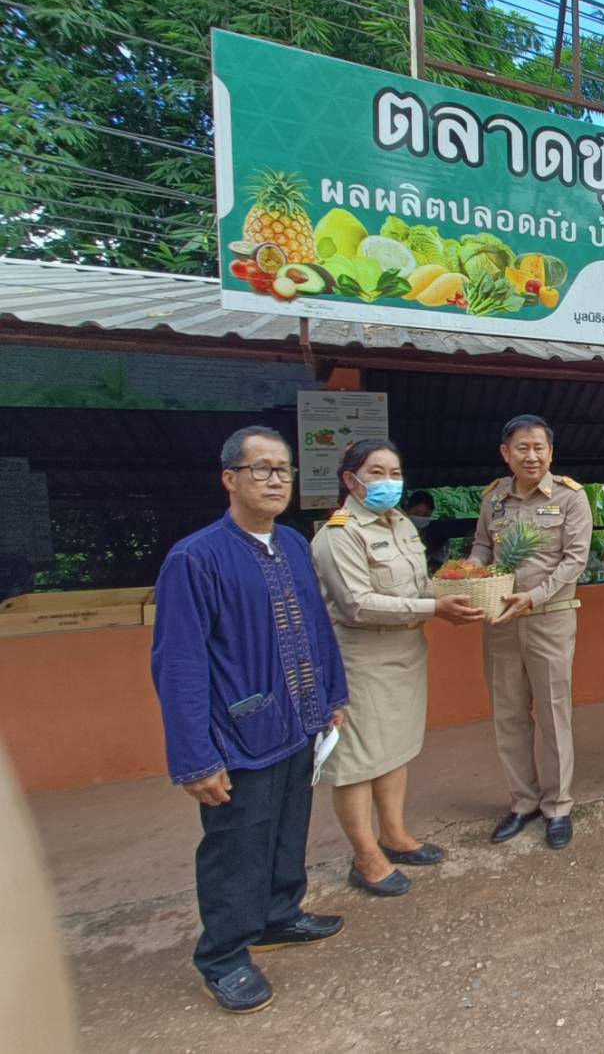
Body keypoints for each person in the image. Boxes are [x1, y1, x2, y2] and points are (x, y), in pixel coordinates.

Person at [151, 426, 347, 1014]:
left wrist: (331, 695)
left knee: (288, 827)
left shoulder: (290, 543)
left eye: (284, 469)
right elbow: (178, 664)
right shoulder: (195, 558)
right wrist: (194, 758)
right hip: (239, 732)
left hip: (298, 719)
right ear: (229, 479)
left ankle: (279, 915)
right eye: (260, 468)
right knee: (237, 845)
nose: (275, 479)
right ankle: (225, 955)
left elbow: (317, 626)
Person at [311, 441, 483, 897]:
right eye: (376, 472)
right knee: (356, 761)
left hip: (405, 654)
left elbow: (417, 580)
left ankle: (395, 835)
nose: (389, 481)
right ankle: (366, 858)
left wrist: (454, 587)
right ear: (351, 480)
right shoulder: (339, 534)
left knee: (396, 747)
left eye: (395, 472)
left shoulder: (400, 522)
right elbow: (357, 604)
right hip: (361, 660)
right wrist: (432, 606)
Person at [472, 414, 593, 850]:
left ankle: (558, 804)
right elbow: (483, 544)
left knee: (554, 711)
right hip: (500, 620)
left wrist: (535, 596)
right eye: (522, 447)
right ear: (506, 453)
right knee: (508, 713)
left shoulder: (571, 497)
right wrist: (474, 570)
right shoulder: (494, 499)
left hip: (551, 616)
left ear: (551, 452)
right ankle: (523, 802)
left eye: (539, 447)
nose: (532, 455)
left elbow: (575, 560)